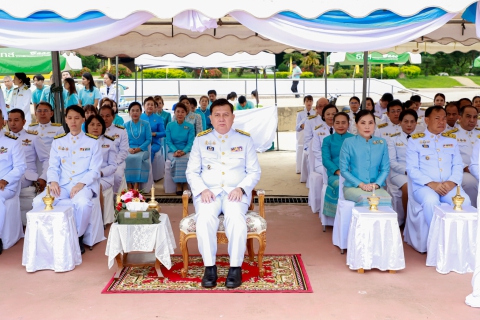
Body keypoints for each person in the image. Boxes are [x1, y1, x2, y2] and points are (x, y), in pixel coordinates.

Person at [186, 98, 261, 289]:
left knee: (236, 218)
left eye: (226, 114)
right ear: (210, 118)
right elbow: (192, 172)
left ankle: (235, 268)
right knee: (204, 219)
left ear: (233, 117)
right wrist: (202, 189)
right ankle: (209, 267)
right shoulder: (201, 140)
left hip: (235, 192)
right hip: (207, 192)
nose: (221, 119)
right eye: (217, 115)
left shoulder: (245, 140)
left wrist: (242, 188)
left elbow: (254, 171)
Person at [32, 105, 102, 254]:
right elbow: (53, 167)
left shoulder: (93, 142)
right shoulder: (59, 141)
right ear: (65, 120)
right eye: (70, 118)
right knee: (38, 202)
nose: (73, 122)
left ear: (83, 119)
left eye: (77, 118)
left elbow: (95, 170)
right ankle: (47, 238)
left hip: (83, 185)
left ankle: (78, 236)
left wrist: (80, 184)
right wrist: (53, 182)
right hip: (62, 185)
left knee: (82, 203)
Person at [406, 106, 470, 228]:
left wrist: (451, 182)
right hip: (424, 187)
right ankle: (435, 239)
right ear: (426, 120)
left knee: (465, 201)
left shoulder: (452, 140)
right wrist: (432, 184)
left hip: (449, 186)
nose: (442, 122)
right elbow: (412, 169)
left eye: (444, 119)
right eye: (437, 118)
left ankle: (458, 239)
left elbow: (457, 165)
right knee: (431, 202)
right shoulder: (415, 141)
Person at [339, 110, 391, 207]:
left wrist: (376, 185)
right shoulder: (348, 142)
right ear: (356, 125)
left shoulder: (381, 143)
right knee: (367, 200)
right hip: (353, 187)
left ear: (375, 125)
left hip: (375, 187)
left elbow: (385, 169)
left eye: (370, 123)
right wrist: (361, 184)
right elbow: (344, 170)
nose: (367, 127)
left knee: (386, 200)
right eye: (363, 123)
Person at [0, 109, 26, 254]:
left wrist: (5, 180)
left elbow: (20, 167)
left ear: (2, 122)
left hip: (6, 187)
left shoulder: (12, 143)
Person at [7, 109, 49, 192]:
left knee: (8, 184)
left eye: (16, 120)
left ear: (24, 122)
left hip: (26, 175)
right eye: (10, 120)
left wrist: (43, 177)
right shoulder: (5, 138)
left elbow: (46, 159)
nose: (12, 123)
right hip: (7, 173)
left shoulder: (33, 137)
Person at [321, 112, 354, 217]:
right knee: (341, 185)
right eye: (337, 123)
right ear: (333, 124)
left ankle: (355, 215)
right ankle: (340, 217)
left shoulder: (355, 139)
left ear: (348, 124)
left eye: (343, 123)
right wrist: (338, 171)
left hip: (353, 173)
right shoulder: (327, 140)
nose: (340, 125)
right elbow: (326, 160)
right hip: (335, 174)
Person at [387, 109, 418, 216]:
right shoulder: (393, 139)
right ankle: (407, 221)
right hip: (399, 173)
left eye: (412, 121)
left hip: (418, 172)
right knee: (408, 187)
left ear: (416, 123)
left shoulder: (421, 139)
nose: (409, 125)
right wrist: (406, 171)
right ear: (400, 122)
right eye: (405, 121)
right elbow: (392, 161)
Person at [85, 114, 117, 213]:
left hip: (104, 177)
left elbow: (113, 166)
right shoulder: (81, 141)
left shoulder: (109, 142)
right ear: (87, 126)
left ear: (103, 127)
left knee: (96, 187)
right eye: (92, 124)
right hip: (85, 176)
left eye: (99, 125)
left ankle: (100, 219)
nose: (95, 127)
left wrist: (100, 172)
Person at [451, 105, 478, 207]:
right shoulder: (452, 136)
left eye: (475, 117)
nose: (472, 120)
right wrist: (466, 167)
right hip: (464, 170)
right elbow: (451, 156)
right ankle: (474, 213)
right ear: (460, 117)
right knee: (470, 183)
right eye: (468, 116)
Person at [166, 102, 195, 195]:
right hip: (172, 151)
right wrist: (175, 150)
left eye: (182, 112)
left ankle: (185, 184)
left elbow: (190, 142)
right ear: (174, 113)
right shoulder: (170, 125)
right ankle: (178, 184)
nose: (180, 114)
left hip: (186, 151)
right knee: (176, 159)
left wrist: (184, 151)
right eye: (178, 111)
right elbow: (169, 141)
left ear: (186, 113)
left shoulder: (190, 126)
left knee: (186, 159)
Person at [99, 105, 129, 192]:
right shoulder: (95, 130)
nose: (104, 118)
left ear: (113, 117)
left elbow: (123, 151)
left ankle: (115, 199)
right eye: (102, 116)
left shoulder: (121, 131)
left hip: (117, 162)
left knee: (116, 175)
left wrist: (112, 163)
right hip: (100, 163)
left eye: (107, 116)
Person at [124, 102, 152, 190]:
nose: (135, 113)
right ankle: (129, 184)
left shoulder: (146, 124)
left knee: (137, 158)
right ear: (129, 112)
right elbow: (123, 140)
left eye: (137, 111)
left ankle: (136, 184)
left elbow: (149, 139)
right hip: (129, 149)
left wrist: (139, 149)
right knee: (127, 158)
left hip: (142, 149)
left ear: (140, 112)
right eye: (133, 111)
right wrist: (128, 149)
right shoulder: (125, 125)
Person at [140, 97, 166, 161]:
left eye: (152, 105)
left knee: (150, 150)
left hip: (154, 143)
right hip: (140, 142)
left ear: (154, 106)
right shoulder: (139, 117)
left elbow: (164, 133)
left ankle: (148, 169)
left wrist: (154, 134)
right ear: (144, 106)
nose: (150, 106)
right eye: (148, 104)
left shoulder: (159, 118)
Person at [295, 95, 314, 173]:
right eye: (307, 101)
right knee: (301, 151)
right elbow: (296, 127)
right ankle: (299, 169)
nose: (309, 103)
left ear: (312, 102)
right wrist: (302, 125)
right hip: (302, 135)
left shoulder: (315, 112)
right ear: (304, 102)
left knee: (311, 152)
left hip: (312, 135)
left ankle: (310, 169)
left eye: (310, 101)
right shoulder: (300, 113)